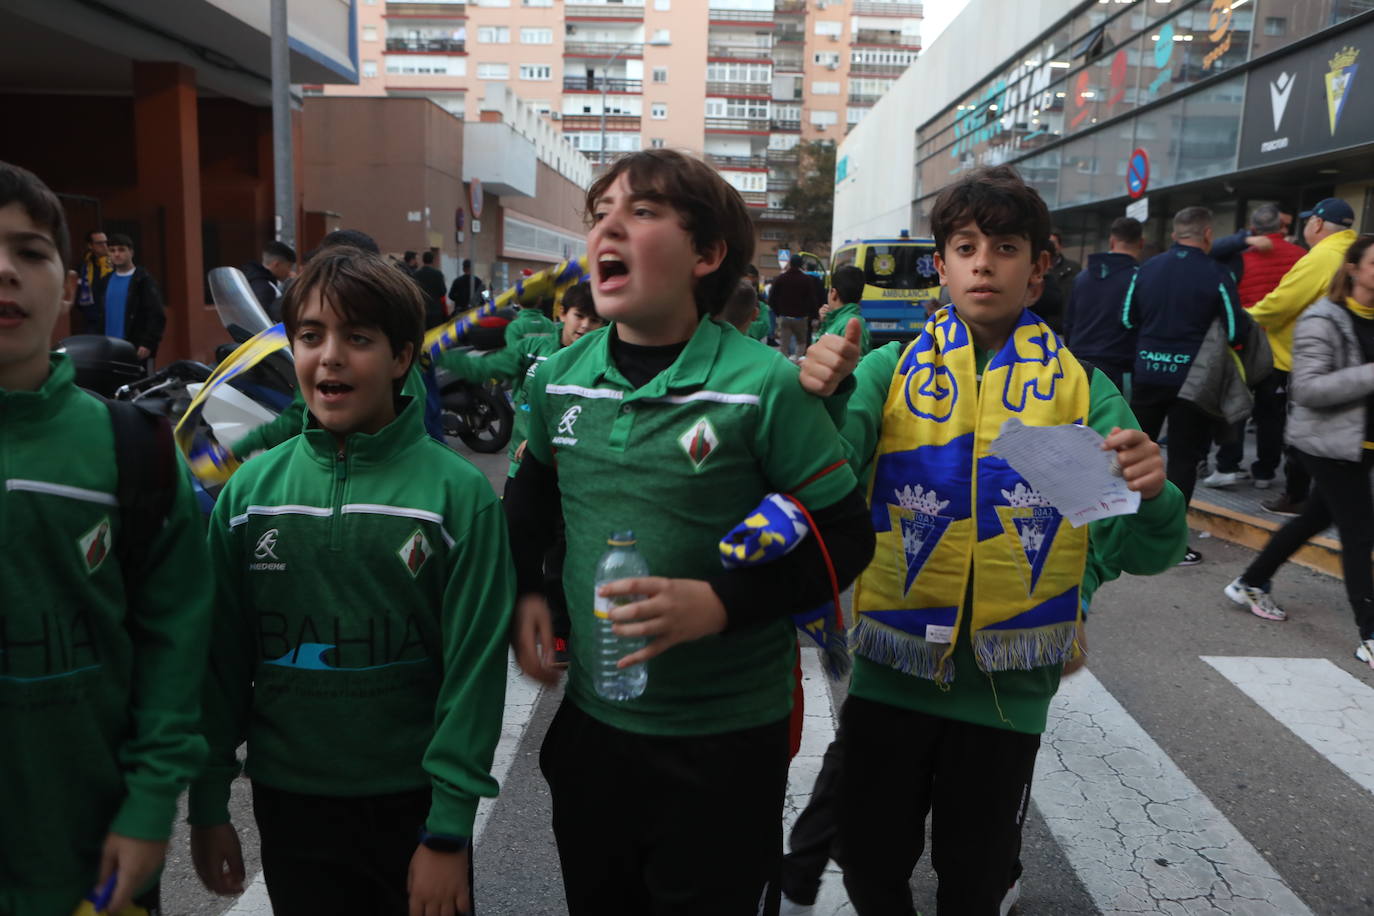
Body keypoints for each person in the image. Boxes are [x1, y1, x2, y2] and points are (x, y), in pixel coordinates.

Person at [798, 163, 1186, 915]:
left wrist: (1153, 493)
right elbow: (824, 489)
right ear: (941, 267)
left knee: (975, 879)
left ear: (1037, 270)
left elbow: (1144, 549)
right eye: (966, 247)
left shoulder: (1084, 390)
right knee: (870, 863)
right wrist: (822, 399)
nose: (984, 264)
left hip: (1008, 693)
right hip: (890, 674)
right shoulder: (884, 371)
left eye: (1006, 248)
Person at [503, 149, 875, 914]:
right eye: (600, 213)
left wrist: (721, 603)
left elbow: (845, 537)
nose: (609, 226)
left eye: (641, 212)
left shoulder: (765, 385)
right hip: (594, 728)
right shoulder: (558, 378)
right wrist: (527, 594)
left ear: (706, 254)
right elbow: (529, 501)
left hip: (726, 740)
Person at [188, 248, 516, 915]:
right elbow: (219, 661)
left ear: (401, 357)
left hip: (413, 806)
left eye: (358, 338)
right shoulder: (250, 493)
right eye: (310, 336)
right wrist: (209, 801)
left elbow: (474, 674)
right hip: (290, 804)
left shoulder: (458, 496)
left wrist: (448, 831)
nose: (330, 357)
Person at [0, 161, 213, 916]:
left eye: (29, 251)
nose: (5, 269)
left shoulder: (136, 450)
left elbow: (175, 645)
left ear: (67, 286)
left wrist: (152, 803)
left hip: (94, 865)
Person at [1223, 235, 1374, 669]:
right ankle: (1370, 633)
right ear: (1353, 269)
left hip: (1362, 443)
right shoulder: (1323, 319)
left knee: (1316, 517)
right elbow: (1307, 389)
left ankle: (1251, 582)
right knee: (1360, 533)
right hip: (1327, 444)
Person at [1125, 206, 1252, 565]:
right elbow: (1235, 330)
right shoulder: (1217, 273)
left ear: (1175, 234)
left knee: (1132, 452)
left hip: (1148, 371)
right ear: (1208, 234)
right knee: (1183, 459)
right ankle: (1171, 542)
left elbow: (1128, 318)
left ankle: (1122, 527)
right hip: (1193, 382)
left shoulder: (1146, 269)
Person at [1246, 198, 1359, 516]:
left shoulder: (1322, 256)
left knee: (1303, 432)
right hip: (1346, 358)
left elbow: (1281, 303)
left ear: (1318, 224)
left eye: (1309, 220)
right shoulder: (1354, 252)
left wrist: (1243, 317)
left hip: (1306, 359)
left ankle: (1297, 497)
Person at [1203, 204, 1307, 489]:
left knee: (1236, 406)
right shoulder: (1301, 256)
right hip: (1283, 348)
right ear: (1282, 227)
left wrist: (1242, 240)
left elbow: (1209, 252)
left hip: (1245, 344)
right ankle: (1265, 471)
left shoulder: (1239, 257)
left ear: (1252, 228)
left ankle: (1227, 465)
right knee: (1271, 413)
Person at [1064, 217, 1143, 391]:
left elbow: (1069, 323)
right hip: (1118, 367)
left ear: (1112, 241)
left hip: (1078, 364)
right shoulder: (1139, 278)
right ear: (1141, 243)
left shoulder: (1082, 277)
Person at [93, 232, 166, 362]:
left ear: (131, 252)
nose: (116, 254)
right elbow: (99, 315)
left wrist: (148, 343)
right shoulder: (105, 281)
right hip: (108, 348)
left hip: (135, 348)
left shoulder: (143, 280)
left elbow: (157, 314)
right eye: (112, 250)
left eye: (121, 250)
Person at [771, 254, 823, 359]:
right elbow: (812, 299)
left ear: (790, 263)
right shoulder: (806, 279)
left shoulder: (781, 278)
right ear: (801, 265)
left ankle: (784, 363)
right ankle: (798, 362)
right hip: (801, 318)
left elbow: (772, 297)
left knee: (784, 344)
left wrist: (778, 312)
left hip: (785, 317)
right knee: (801, 342)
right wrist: (814, 315)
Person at [1030, 228, 1080, 334]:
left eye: (1053, 242)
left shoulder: (1073, 269)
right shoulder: (1034, 275)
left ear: (1060, 246)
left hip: (1062, 328)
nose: (1050, 245)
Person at [817, 264, 871, 357]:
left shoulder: (849, 324)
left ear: (833, 293)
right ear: (860, 298)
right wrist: (825, 322)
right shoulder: (840, 320)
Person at [241, 240, 296, 319]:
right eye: (289, 266)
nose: (290, 271)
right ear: (276, 264)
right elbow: (265, 319)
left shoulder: (253, 279)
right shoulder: (264, 287)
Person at [75, 228, 111, 331]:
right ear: (90, 246)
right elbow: (79, 290)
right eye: (99, 243)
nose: (104, 246)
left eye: (106, 242)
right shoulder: (84, 266)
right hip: (92, 320)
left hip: (113, 316)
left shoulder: (115, 263)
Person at [414, 249, 449, 329]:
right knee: (436, 333)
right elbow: (443, 292)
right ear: (432, 260)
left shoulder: (416, 274)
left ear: (423, 260)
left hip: (422, 310)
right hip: (435, 311)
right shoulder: (438, 274)